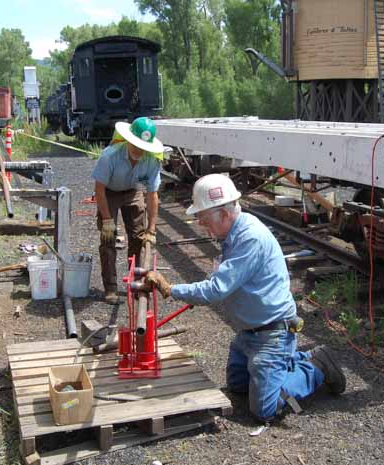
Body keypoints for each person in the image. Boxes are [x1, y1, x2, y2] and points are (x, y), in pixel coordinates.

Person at [145, 174, 346, 422]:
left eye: (203, 217)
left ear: (225, 213)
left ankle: (315, 366)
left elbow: (215, 290)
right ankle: (284, 362)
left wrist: (170, 289)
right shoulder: (234, 231)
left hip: (271, 333)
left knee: (264, 410)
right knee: (238, 387)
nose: (199, 223)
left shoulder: (249, 238)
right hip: (250, 333)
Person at [91, 117, 163, 304]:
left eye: (142, 147)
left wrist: (152, 229)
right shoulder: (110, 156)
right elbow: (99, 189)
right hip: (109, 192)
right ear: (129, 140)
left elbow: (152, 194)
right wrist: (107, 220)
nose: (139, 151)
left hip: (133, 190)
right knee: (108, 238)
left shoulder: (151, 160)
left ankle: (137, 283)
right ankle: (110, 288)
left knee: (139, 237)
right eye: (136, 145)